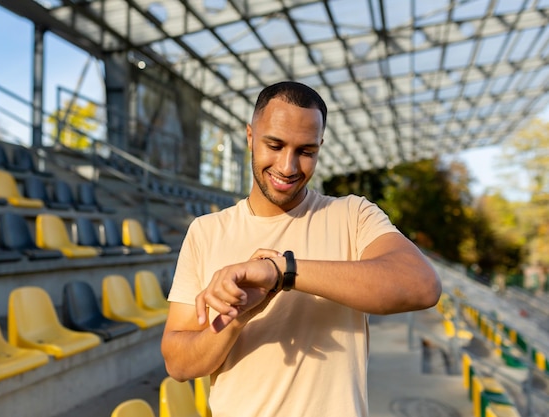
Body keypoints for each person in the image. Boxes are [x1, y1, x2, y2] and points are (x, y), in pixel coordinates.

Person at [161, 81, 441, 416]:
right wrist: (236, 319)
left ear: (320, 146)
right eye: (274, 145)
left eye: (306, 152)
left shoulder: (352, 215)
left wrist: (283, 272)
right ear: (250, 137)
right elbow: (178, 363)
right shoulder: (206, 232)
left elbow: (422, 285)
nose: (288, 167)